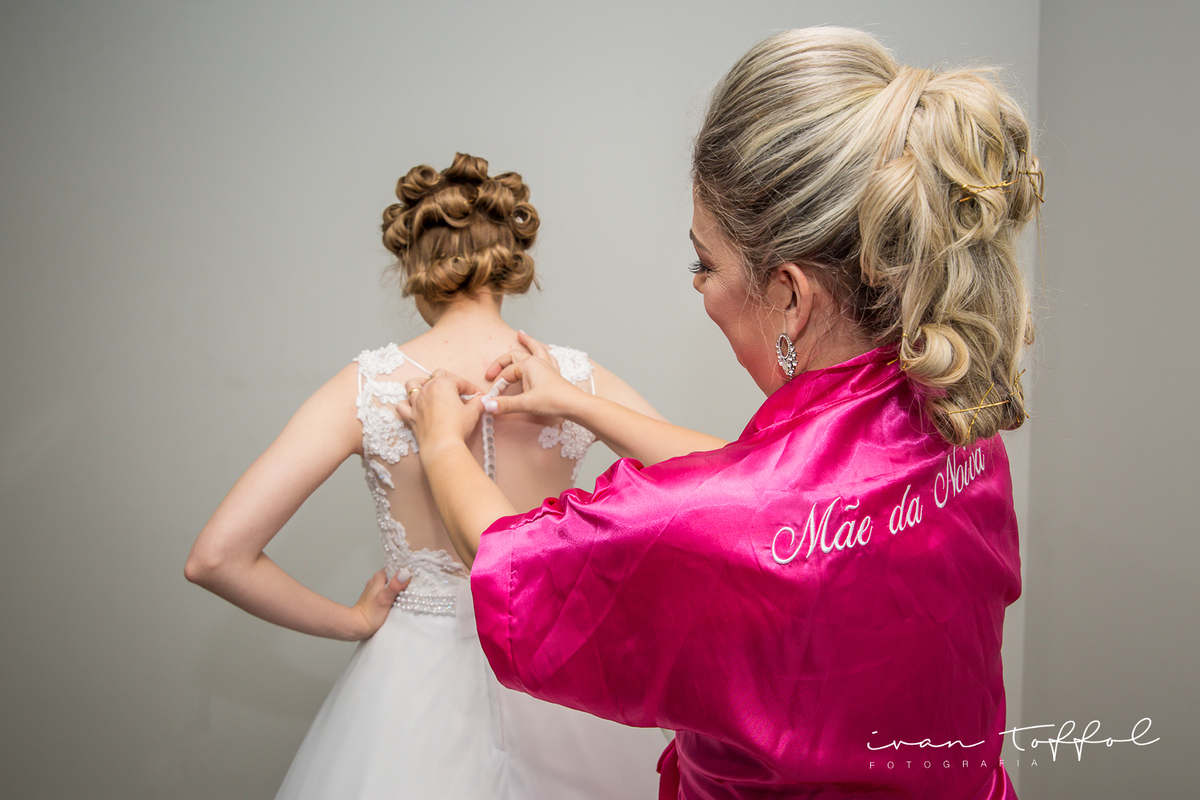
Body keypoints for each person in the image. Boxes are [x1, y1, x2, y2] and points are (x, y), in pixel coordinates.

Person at [397, 28, 1040, 799]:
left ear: (791, 296)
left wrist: (442, 443)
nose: (700, 289)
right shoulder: (959, 423)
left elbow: (513, 566)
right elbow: (766, 492)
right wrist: (577, 403)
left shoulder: (727, 527)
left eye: (704, 264)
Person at [185, 153, 667, 799]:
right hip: (555, 659)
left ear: (413, 269)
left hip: (412, 677)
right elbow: (711, 486)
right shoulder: (572, 378)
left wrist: (354, 620)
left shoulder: (366, 387)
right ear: (510, 260)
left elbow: (215, 558)